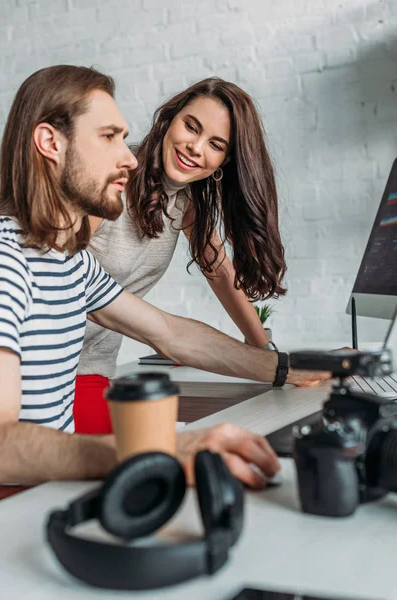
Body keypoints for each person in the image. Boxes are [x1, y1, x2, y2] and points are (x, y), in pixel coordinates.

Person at [0, 65, 329, 488]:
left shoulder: (70, 263)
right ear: (50, 143)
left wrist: (283, 366)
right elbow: (1, 447)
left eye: (216, 145)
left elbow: (172, 332)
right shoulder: (8, 261)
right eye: (108, 137)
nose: (130, 158)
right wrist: (160, 450)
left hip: (49, 459)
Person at [74, 78, 297, 434]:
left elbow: (219, 271)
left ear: (225, 161)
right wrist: (272, 365)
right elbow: (54, 276)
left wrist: (267, 353)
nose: (195, 147)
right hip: (39, 363)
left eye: (215, 144)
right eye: (191, 127)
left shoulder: (185, 202)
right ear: (169, 120)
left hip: (90, 367)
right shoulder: (112, 179)